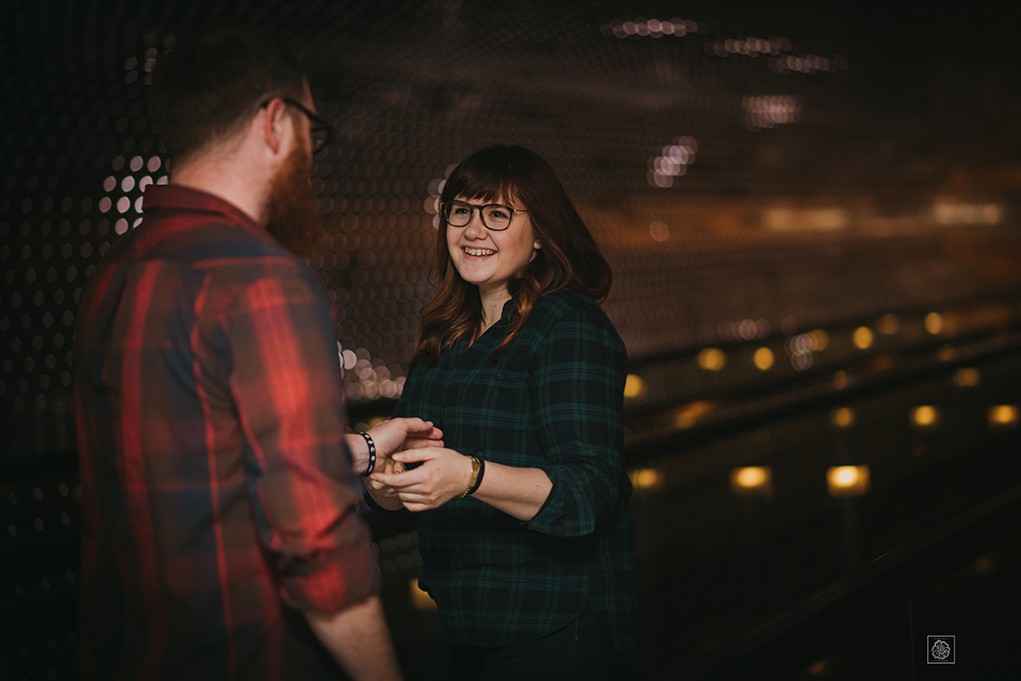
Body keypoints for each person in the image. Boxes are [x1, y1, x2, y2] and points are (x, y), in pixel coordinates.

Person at [72, 26, 441, 680]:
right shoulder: (264, 282)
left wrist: (367, 447)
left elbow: (209, 457)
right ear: (274, 122)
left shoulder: (118, 271)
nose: (309, 155)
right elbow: (317, 545)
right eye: (310, 133)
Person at [364, 145, 637, 680]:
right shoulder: (445, 336)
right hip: (467, 620)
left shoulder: (568, 325)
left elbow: (589, 491)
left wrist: (469, 476)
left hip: (554, 625)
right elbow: (403, 484)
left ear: (540, 234)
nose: (472, 230)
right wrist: (385, 484)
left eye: (498, 214)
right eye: (461, 211)